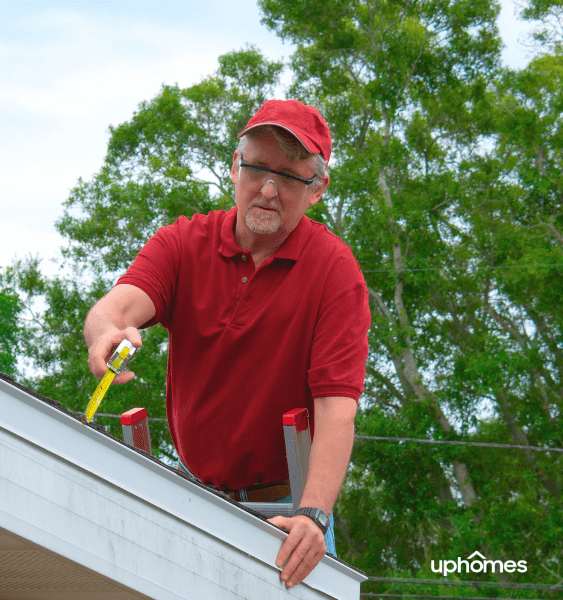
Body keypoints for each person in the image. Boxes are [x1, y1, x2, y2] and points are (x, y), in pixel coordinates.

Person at [83, 99, 370, 589]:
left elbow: (336, 409)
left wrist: (314, 516)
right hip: (190, 493)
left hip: (286, 514)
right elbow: (118, 307)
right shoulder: (183, 242)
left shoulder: (334, 273)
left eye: (290, 176)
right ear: (235, 166)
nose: (268, 189)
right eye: (257, 167)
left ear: (317, 188)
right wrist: (106, 333)